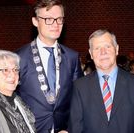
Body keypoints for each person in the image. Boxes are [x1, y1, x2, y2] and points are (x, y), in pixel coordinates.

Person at [15, 0, 83, 132]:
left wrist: (70, 129)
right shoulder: (18, 57)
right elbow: (10, 100)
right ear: (35, 21)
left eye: (59, 19)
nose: (55, 24)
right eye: (48, 19)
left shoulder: (72, 57)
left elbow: (78, 99)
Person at [68, 29, 134, 133]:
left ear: (116, 49)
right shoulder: (80, 87)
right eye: (97, 48)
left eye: (107, 46)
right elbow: (76, 129)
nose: (103, 52)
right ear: (91, 54)